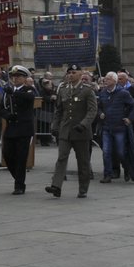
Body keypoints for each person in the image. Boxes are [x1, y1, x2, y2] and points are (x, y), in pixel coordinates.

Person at [46, 67, 97, 198]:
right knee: (61, 158)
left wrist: (84, 124)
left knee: (83, 161)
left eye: (74, 73)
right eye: (69, 73)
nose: (71, 75)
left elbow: (92, 111)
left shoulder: (87, 90)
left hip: (81, 131)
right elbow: (59, 110)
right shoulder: (63, 89)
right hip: (65, 130)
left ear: (81, 74)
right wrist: (55, 126)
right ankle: (56, 186)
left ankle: (83, 188)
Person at [0, 64, 38, 195]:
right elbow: (1, 108)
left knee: (21, 158)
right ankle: (18, 178)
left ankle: (19, 185)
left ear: (25, 78)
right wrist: (7, 115)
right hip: (11, 128)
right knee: (7, 155)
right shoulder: (8, 92)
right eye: (13, 76)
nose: (15, 79)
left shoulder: (28, 89)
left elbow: (28, 99)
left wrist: (13, 92)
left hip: (24, 129)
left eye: (18, 76)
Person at [97, 71, 134, 183]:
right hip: (107, 127)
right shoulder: (102, 93)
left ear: (115, 81)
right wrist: (100, 113)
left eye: (108, 79)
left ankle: (127, 168)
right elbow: (99, 107)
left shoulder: (123, 93)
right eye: (105, 78)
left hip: (119, 127)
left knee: (121, 152)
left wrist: (129, 119)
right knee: (106, 152)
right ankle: (107, 174)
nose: (105, 80)